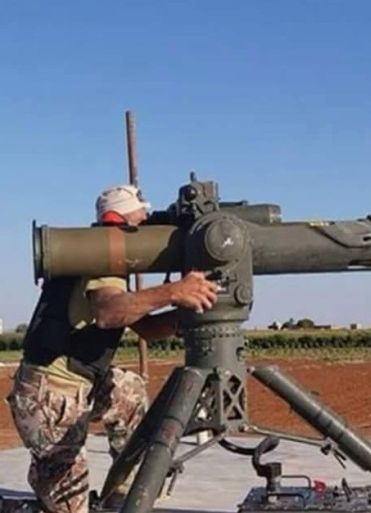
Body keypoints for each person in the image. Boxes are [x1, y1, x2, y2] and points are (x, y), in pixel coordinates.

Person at [2, 185, 218, 513]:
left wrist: (190, 312)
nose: (148, 223)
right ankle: (50, 484)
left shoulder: (100, 256)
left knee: (128, 392)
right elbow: (109, 312)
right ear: (119, 219)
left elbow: (145, 328)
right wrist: (175, 291)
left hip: (73, 386)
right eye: (142, 217)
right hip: (50, 399)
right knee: (68, 504)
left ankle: (124, 494)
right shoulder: (102, 254)